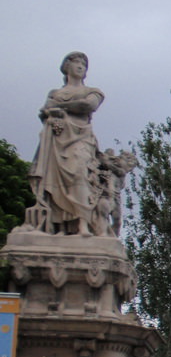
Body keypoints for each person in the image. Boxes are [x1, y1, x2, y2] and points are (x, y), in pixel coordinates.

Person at [28, 52, 104, 236]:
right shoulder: (55, 93)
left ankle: (83, 225)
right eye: (77, 62)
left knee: (79, 175)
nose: (80, 66)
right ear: (66, 66)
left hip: (80, 138)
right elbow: (44, 111)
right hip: (57, 139)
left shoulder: (93, 92)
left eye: (84, 64)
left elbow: (88, 106)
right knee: (55, 182)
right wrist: (58, 108)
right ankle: (61, 227)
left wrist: (59, 107)